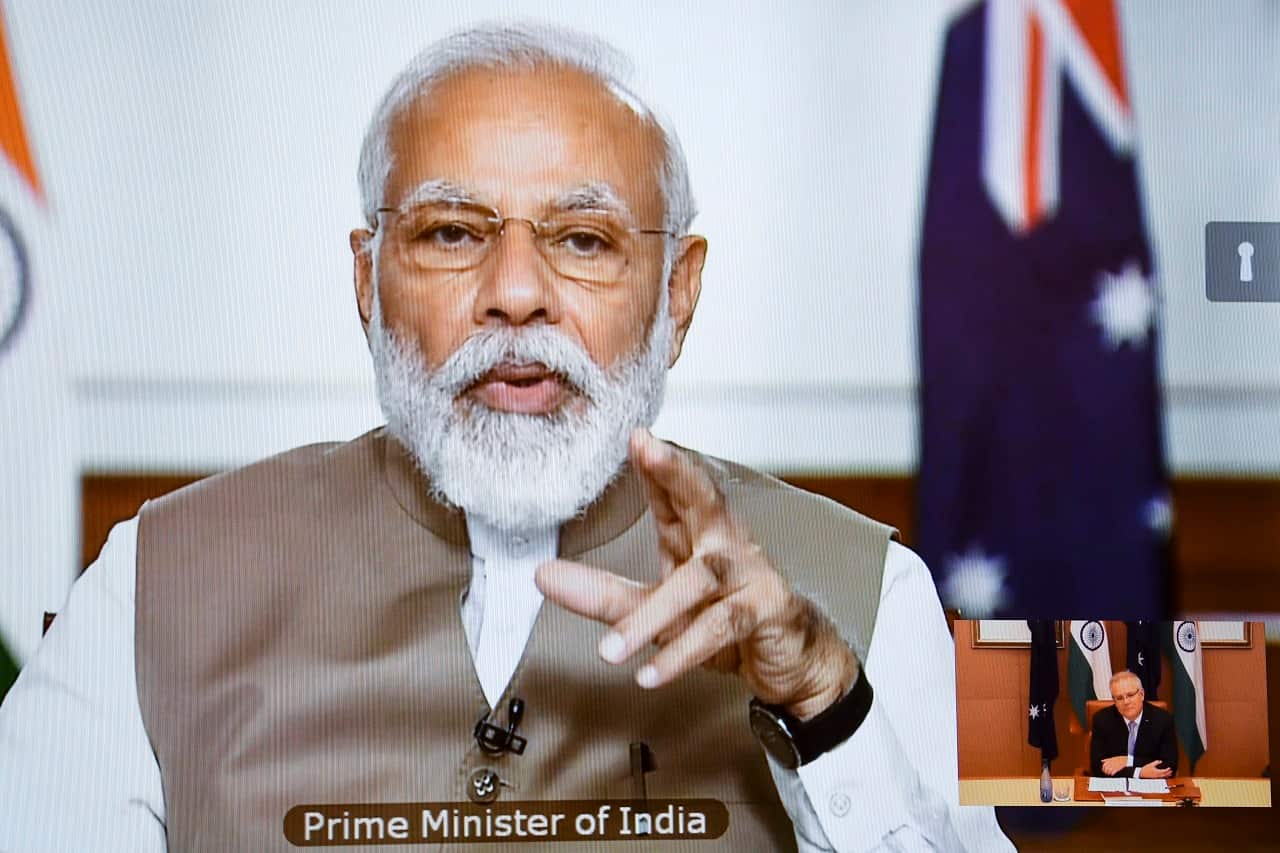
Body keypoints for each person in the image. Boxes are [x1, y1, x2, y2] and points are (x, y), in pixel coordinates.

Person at [0, 22, 1011, 852]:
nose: (515, 294)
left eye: (583, 239)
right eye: (451, 233)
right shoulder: (154, 582)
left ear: (679, 291)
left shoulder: (872, 593)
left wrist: (823, 702)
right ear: (367, 279)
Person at [1090, 670, 1178, 779]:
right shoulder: (1102, 720)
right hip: (1115, 788)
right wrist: (1139, 773)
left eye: (1130, 695)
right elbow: (1098, 767)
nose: (1126, 702)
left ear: (1141, 694)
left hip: (1151, 788)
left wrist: (1128, 761)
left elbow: (1169, 766)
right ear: (1114, 701)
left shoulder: (1163, 720)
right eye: (1119, 698)